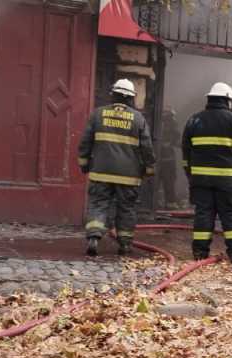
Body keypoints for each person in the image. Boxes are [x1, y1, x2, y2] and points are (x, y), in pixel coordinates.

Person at [77, 78, 155, 257]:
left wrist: (84, 162)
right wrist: (149, 167)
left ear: (113, 95)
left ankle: (94, 238)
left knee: (98, 204)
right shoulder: (138, 118)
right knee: (126, 208)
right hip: (128, 176)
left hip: (100, 172)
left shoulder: (98, 114)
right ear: (130, 98)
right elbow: (147, 147)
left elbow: (86, 141)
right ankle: (125, 245)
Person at [181, 82, 232, 263]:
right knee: (230, 214)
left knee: (203, 214)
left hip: (201, 180)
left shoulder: (194, 120)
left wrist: (191, 173)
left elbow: (185, 151)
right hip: (227, 180)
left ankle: (200, 252)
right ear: (226, 101)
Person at [156, 107, 183, 209]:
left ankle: (164, 202)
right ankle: (167, 202)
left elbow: (176, 140)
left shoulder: (168, 127)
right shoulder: (168, 126)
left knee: (167, 182)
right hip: (165, 160)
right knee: (167, 182)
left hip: (164, 159)